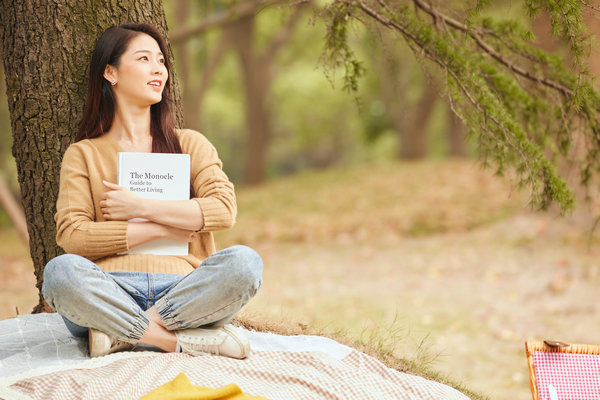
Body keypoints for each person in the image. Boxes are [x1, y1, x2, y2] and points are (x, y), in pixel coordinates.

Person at [41, 23, 263, 360]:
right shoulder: (83, 154)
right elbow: (72, 235)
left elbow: (222, 210)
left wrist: (139, 205)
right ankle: (177, 341)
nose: (158, 68)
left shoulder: (190, 144)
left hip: (186, 291)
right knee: (59, 274)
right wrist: (167, 227)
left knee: (245, 263)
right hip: (111, 290)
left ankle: (124, 332)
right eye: (144, 58)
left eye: (161, 60)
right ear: (110, 73)